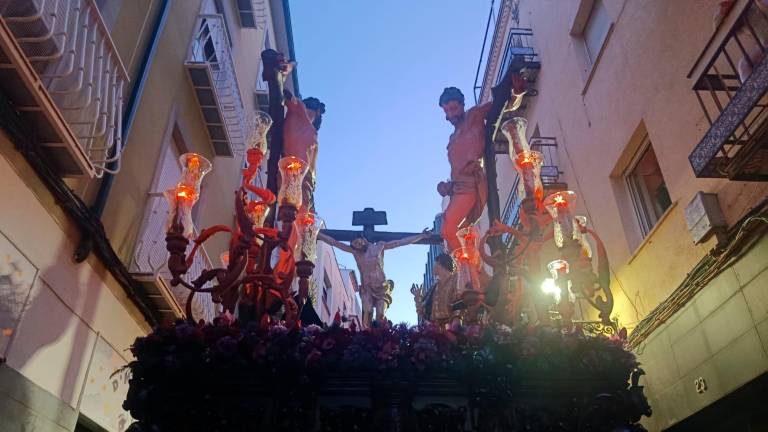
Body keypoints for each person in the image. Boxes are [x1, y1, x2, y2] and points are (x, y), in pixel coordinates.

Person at [438, 78, 526, 253]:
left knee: (448, 230)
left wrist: (517, 93)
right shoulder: (452, 138)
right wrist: (447, 186)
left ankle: (471, 269)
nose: (450, 115)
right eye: (446, 111)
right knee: (455, 233)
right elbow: (456, 167)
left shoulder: (474, 115)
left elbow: (503, 106)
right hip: (457, 188)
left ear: (462, 105)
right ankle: (471, 266)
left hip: (470, 184)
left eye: (453, 108)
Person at [318, 229, 430, 326]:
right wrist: (318, 234)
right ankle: (366, 340)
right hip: (367, 289)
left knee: (380, 315)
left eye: (359, 242)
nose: (358, 245)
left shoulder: (379, 246)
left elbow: (400, 242)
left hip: (382, 288)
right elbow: (334, 242)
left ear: (364, 239)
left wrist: (421, 236)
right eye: (355, 244)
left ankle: (380, 338)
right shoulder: (355, 252)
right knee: (367, 314)